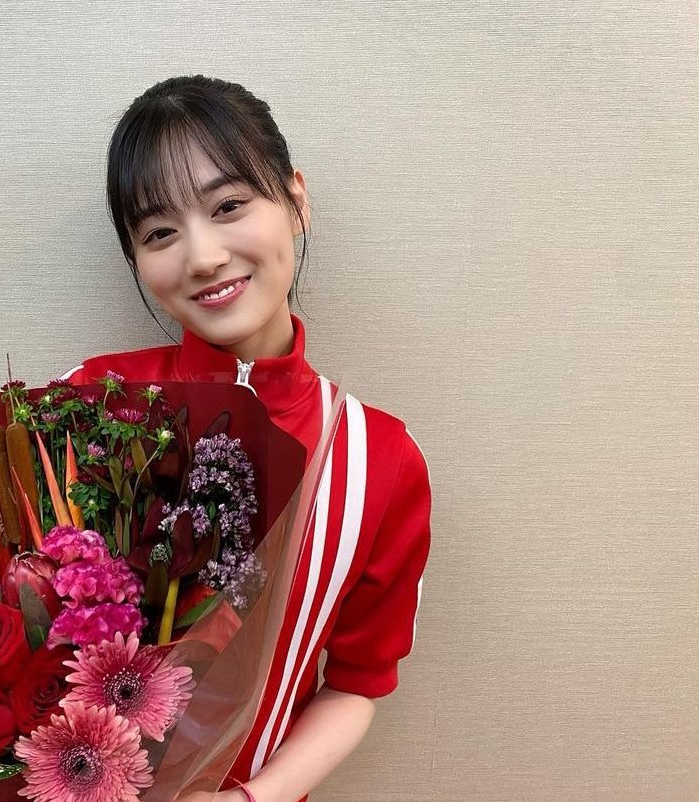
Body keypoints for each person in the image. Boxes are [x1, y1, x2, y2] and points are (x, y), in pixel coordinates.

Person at [57, 75, 432, 802]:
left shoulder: (377, 460)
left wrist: (251, 799)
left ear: (295, 200)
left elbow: (357, 682)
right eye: (159, 233)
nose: (201, 257)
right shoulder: (91, 402)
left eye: (228, 206)